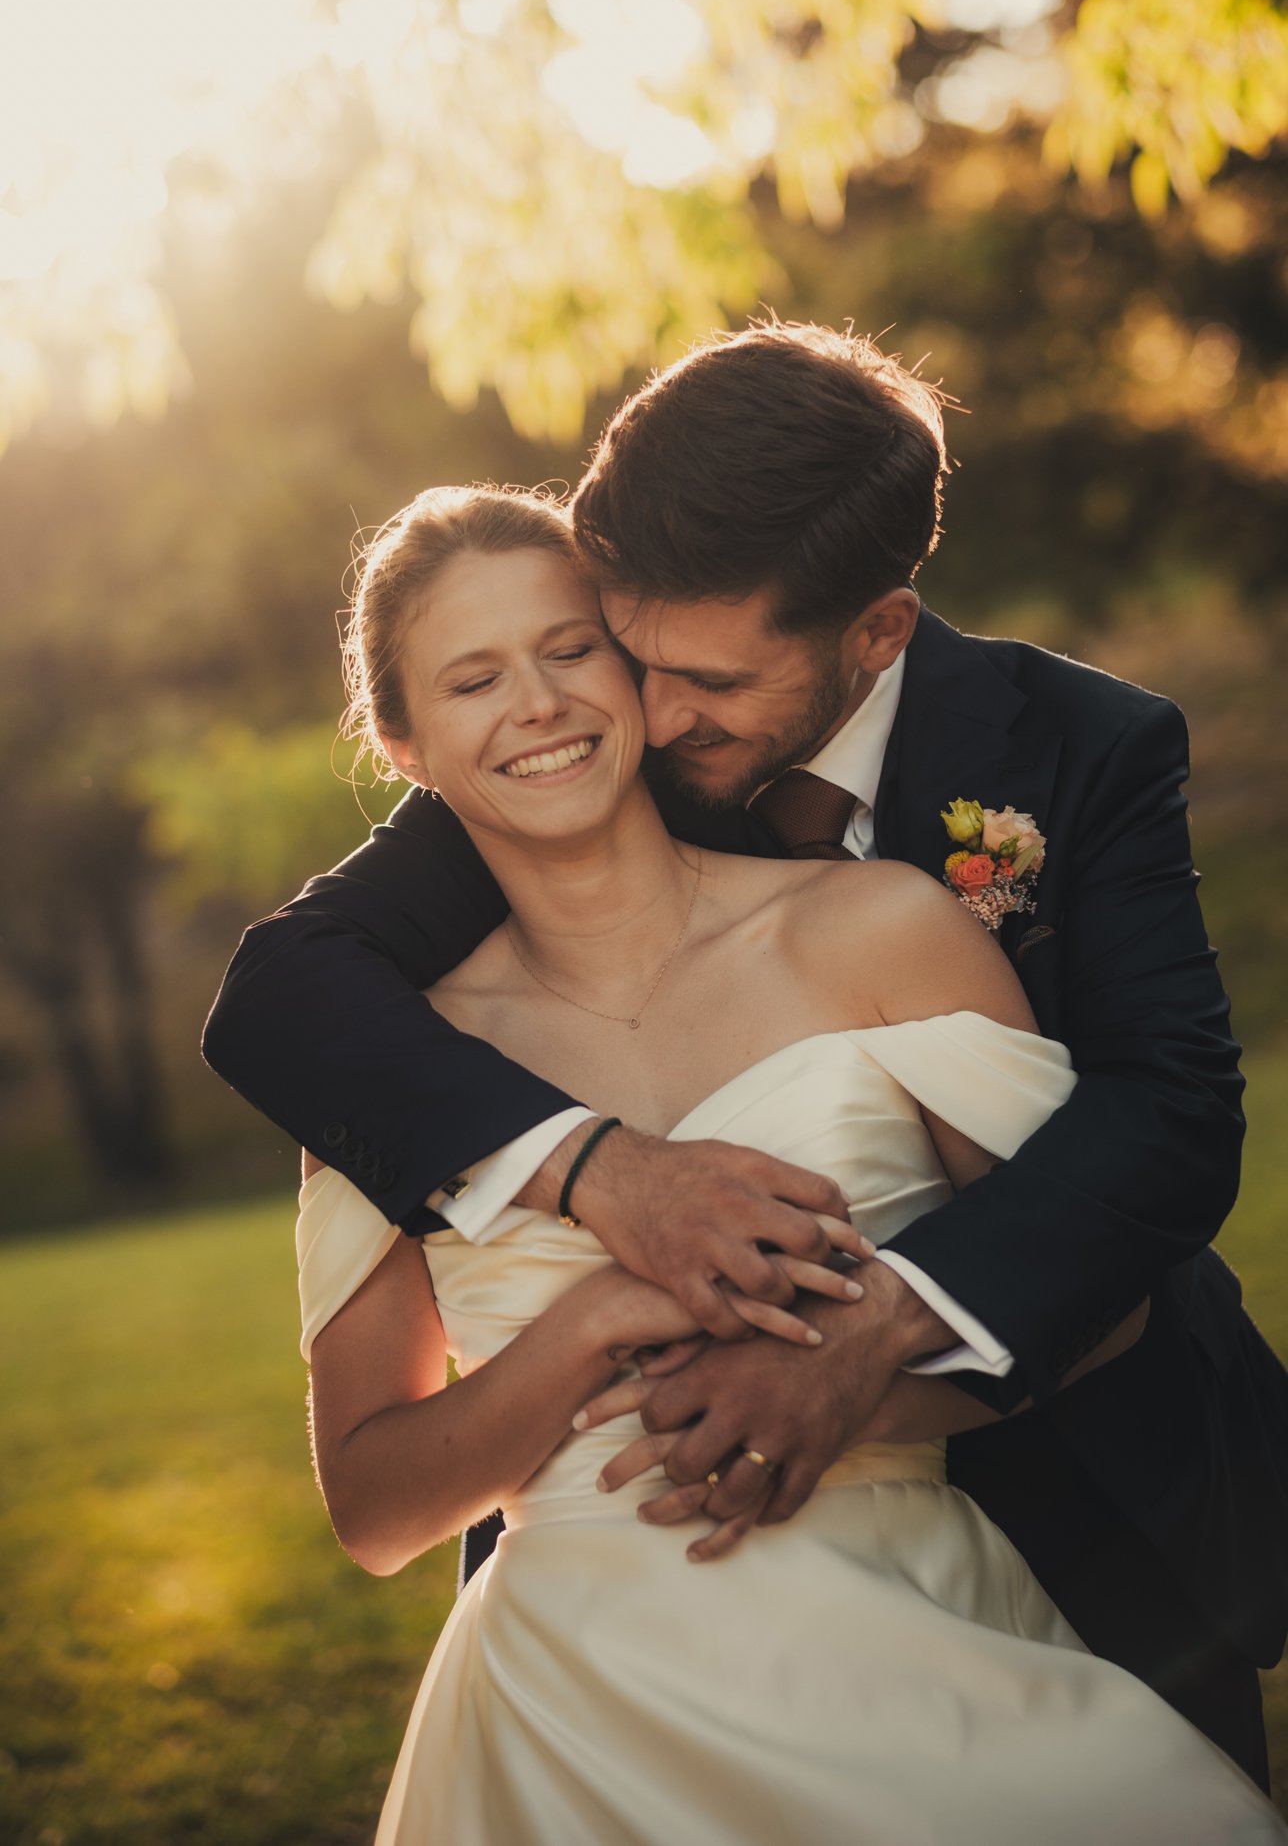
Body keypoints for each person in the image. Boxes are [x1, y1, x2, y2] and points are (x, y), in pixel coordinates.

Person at [203, 323, 1288, 1789]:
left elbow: (1167, 1120)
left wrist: (875, 1337)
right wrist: (600, 1178)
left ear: (877, 633)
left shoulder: (1072, 754)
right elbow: (282, 993)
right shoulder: (574, 741)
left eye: (700, 678)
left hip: (1061, 1464)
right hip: (609, 1644)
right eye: (623, 651)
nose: (646, 715)